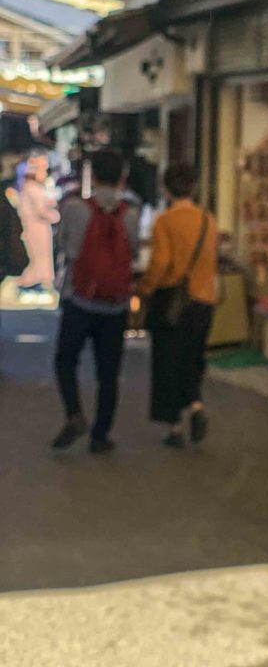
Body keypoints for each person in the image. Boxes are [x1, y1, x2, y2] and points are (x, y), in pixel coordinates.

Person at [52, 148, 139, 453]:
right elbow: (135, 252)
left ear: (92, 175)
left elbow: (63, 245)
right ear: (122, 178)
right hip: (115, 306)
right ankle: (100, 435)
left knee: (65, 359)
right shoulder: (131, 213)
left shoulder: (74, 207)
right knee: (108, 373)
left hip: (80, 300)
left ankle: (74, 413)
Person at [138, 164, 218, 448]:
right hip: (203, 302)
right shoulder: (209, 221)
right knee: (193, 358)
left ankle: (174, 428)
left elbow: (161, 263)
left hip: (173, 302)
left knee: (167, 362)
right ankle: (195, 405)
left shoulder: (165, 221)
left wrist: (145, 287)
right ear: (193, 188)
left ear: (166, 188)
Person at [16, 153, 59, 297]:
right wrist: (56, 216)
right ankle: (30, 283)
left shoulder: (31, 187)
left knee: (39, 257)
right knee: (36, 257)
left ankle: (36, 282)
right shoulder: (32, 188)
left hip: (38, 228)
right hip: (35, 229)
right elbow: (42, 210)